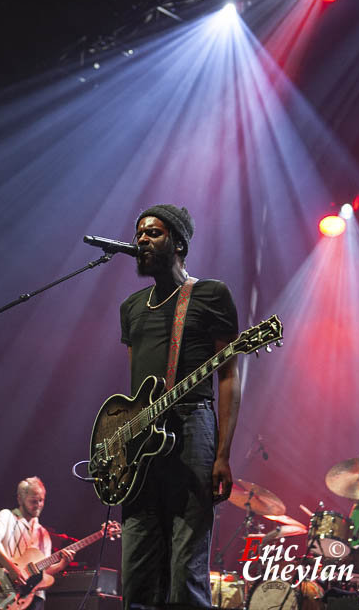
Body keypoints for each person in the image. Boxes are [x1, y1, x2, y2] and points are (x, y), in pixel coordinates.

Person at [120, 204, 241, 609]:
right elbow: (134, 387)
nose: (141, 240)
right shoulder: (132, 307)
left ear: (179, 243)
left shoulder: (211, 294)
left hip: (193, 427)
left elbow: (227, 377)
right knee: (136, 570)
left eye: (153, 233)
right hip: (140, 442)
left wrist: (222, 453)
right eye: (139, 234)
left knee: (185, 568)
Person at [0, 476, 75, 610]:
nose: (38, 505)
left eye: (41, 500)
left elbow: (44, 571)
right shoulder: (7, 516)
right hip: (6, 590)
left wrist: (61, 565)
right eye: (33, 501)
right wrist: (11, 568)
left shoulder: (43, 534)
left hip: (34, 597)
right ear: (20, 499)